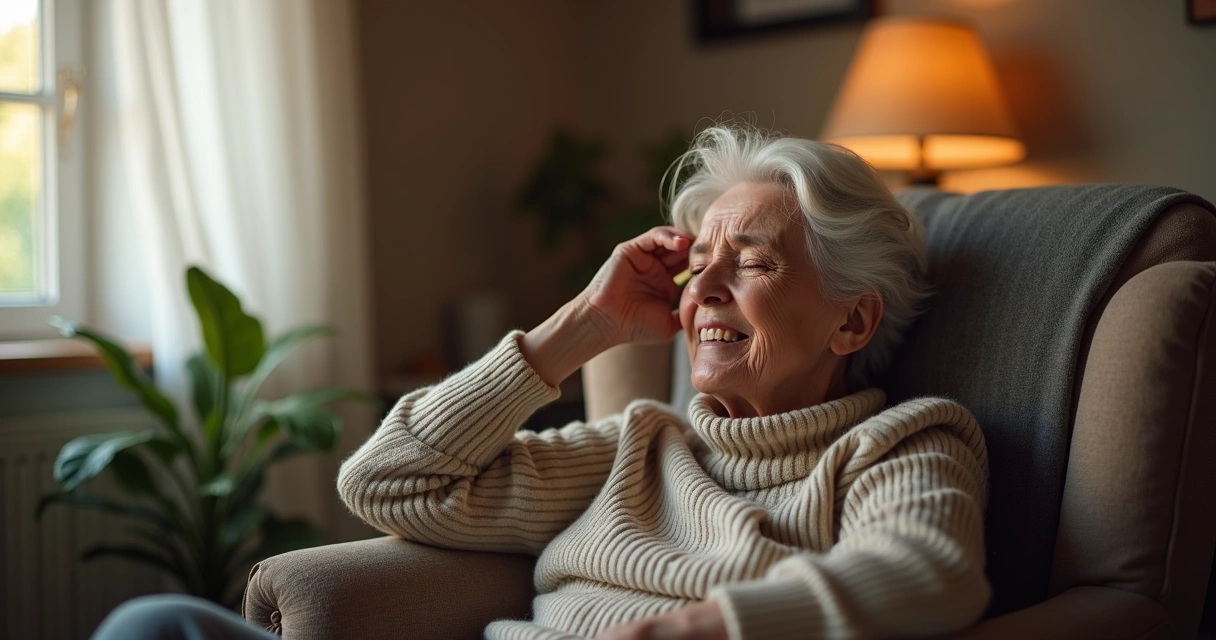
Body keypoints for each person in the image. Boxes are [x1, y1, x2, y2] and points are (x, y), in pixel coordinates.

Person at [91, 124, 988, 640]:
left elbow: (928, 573)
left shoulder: (900, 444)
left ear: (853, 320)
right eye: (697, 265)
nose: (704, 289)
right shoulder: (636, 445)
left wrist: (704, 628)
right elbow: (386, 482)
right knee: (159, 626)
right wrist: (580, 328)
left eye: (750, 264)